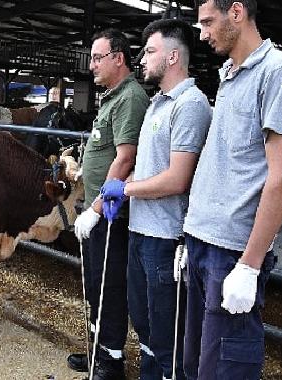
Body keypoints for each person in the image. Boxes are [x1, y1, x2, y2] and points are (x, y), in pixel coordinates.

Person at [100, 19, 212, 379]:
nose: (142, 59)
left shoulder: (190, 105)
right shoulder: (155, 105)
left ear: (174, 56)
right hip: (140, 230)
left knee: (168, 336)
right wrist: (124, 185)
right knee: (145, 326)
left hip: (166, 238)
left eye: (150, 51)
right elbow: (148, 168)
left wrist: (125, 189)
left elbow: (177, 179)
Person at [182, 1, 282, 378]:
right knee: (195, 364)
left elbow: (280, 177)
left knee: (223, 370)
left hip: (232, 253)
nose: (203, 33)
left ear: (236, 12)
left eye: (208, 22)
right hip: (203, 243)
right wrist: (192, 232)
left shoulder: (274, 72)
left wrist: (250, 265)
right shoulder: (230, 74)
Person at [67, 29, 149, 379]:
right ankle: (97, 349)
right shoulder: (112, 97)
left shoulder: (131, 97)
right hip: (98, 209)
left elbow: (125, 158)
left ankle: (112, 362)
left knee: (109, 284)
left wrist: (96, 208)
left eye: (98, 57)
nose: (92, 66)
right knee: (96, 284)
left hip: (112, 213)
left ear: (119, 58)